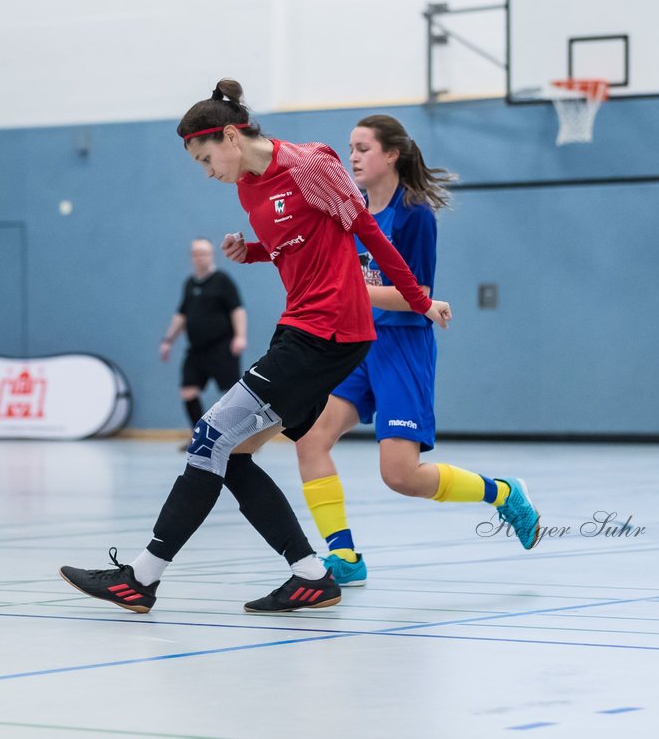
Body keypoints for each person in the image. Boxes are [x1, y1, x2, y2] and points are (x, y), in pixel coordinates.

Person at [60, 79, 452, 614]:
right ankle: (311, 575)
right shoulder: (248, 188)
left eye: (206, 158)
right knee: (233, 450)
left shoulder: (312, 164)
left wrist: (419, 300)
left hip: (330, 332)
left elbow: (367, 234)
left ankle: (141, 577)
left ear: (230, 136)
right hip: (298, 328)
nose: (207, 172)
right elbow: (301, 242)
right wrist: (255, 252)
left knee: (209, 436)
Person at [296, 116, 541, 587]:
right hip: (358, 345)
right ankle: (344, 556)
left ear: (392, 154)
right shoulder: (355, 211)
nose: (353, 158)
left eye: (363, 148)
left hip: (402, 347)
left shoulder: (415, 215)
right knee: (310, 439)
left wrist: (346, 290)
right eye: (350, 148)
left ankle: (503, 493)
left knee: (401, 475)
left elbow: (416, 294)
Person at [159, 238, 247, 448]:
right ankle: (198, 436)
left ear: (212, 256)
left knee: (232, 393)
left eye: (204, 253)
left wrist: (240, 336)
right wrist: (168, 340)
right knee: (188, 390)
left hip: (222, 347)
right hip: (197, 350)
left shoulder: (222, 280)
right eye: (196, 254)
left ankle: (240, 438)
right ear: (192, 257)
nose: (200, 257)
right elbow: (182, 315)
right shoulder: (190, 283)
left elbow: (238, 309)